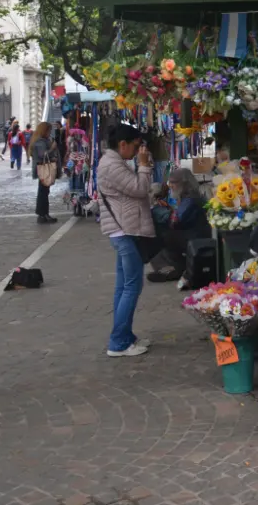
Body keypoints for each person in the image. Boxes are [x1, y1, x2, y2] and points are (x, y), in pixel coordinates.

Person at [97, 123, 155, 358]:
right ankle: (119, 342)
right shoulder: (112, 166)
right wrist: (143, 166)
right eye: (135, 146)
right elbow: (139, 189)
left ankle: (124, 336)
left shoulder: (113, 163)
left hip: (124, 230)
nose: (137, 150)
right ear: (123, 145)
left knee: (124, 287)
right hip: (124, 231)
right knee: (132, 286)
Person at [147, 168, 206, 283]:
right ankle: (173, 267)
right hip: (191, 233)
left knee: (158, 236)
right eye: (170, 182)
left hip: (195, 236)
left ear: (184, 183)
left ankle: (173, 268)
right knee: (159, 233)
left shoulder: (190, 198)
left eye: (174, 182)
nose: (171, 186)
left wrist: (157, 210)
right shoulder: (187, 196)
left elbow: (176, 221)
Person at [29, 122, 61, 224]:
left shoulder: (43, 140)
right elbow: (43, 154)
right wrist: (52, 148)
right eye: (48, 130)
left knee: (44, 192)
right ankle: (43, 214)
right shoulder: (40, 142)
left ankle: (43, 214)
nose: (49, 133)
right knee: (43, 192)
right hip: (43, 169)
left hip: (44, 169)